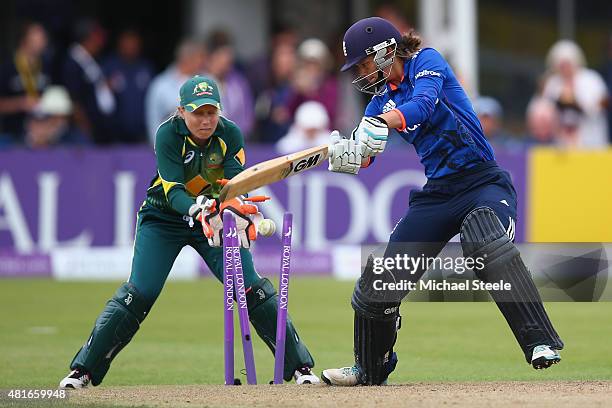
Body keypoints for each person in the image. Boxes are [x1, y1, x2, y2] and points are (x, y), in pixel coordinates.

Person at [321, 17, 563, 386]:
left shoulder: (427, 62)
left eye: (363, 63)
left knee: (484, 242)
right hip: (439, 193)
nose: (362, 72)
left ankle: (540, 342)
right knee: (382, 278)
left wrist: (383, 123)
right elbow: (367, 153)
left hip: (483, 182)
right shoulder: (379, 101)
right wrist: (350, 153)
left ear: (386, 51)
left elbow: (422, 105)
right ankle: (369, 369)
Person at [58, 76, 319, 389]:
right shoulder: (168, 134)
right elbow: (173, 192)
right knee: (138, 293)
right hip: (163, 220)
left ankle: (301, 368)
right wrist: (200, 210)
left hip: (213, 221)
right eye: (198, 113)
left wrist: (236, 209)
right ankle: (82, 372)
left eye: (211, 112)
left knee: (252, 289)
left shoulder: (230, 133)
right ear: (181, 111)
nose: (206, 120)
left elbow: (235, 182)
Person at [541, 40, 608, 148]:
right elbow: (545, 114)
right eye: (561, 65)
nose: (565, 68)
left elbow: (602, 104)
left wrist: (575, 102)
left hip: (592, 143)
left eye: (567, 64)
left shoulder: (591, 79)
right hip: (561, 147)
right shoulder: (552, 84)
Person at [62, 19, 116, 145]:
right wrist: (86, 129)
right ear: (88, 38)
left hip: (101, 131)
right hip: (83, 134)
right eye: (97, 37)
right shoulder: (73, 63)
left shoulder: (92, 60)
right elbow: (74, 101)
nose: (101, 42)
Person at [145, 38, 206, 144]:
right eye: (200, 58)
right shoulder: (161, 85)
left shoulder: (207, 82)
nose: (203, 63)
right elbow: (153, 120)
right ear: (188, 59)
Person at [0, 21, 50, 142]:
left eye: (43, 37)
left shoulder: (48, 66)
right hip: (13, 134)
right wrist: (20, 103)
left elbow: (56, 101)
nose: (42, 41)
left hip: (44, 133)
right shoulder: (7, 67)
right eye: (36, 36)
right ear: (24, 40)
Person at [103, 28, 154, 144]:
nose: (131, 47)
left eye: (134, 44)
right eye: (127, 44)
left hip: (142, 132)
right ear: (120, 45)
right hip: (116, 134)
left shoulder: (146, 67)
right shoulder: (110, 67)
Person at [205, 30, 255, 137]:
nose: (228, 65)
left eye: (229, 61)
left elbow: (248, 113)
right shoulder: (199, 83)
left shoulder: (239, 82)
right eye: (222, 58)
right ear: (212, 58)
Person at [23, 86, 88, 148]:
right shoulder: (27, 137)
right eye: (53, 116)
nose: (59, 121)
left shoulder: (75, 137)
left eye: (62, 116)